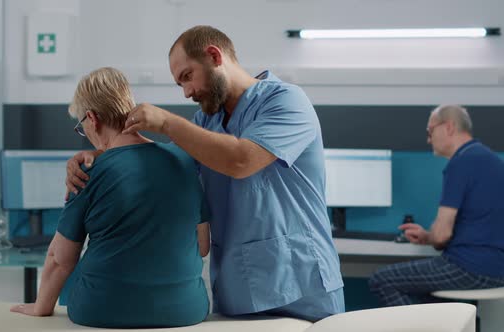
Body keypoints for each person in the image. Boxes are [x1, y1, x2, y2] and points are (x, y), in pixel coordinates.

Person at [66, 25, 344, 321]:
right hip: (237, 288)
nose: (187, 92)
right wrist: (100, 154)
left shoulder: (286, 101)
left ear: (214, 56)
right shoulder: (206, 121)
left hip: (300, 284)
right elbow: (164, 164)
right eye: (180, 84)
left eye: (187, 76)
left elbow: (241, 160)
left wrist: (166, 122)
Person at [11, 67, 210, 328]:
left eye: (82, 127)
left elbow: (60, 259)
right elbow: (202, 244)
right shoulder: (183, 160)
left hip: (101, 310)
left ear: (92, 118)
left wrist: (41, 307)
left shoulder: (88, 173)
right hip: (186, 311)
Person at [369, 104, 504, 306]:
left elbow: (441, 236)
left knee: (382, 280)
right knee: (428, 300)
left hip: (469, 267)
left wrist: (429, 237)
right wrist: (426, 237)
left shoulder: (461, 162)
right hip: (496, 269)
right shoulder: (491, 160)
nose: (428, 139)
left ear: (448, 127)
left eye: (430, 131)